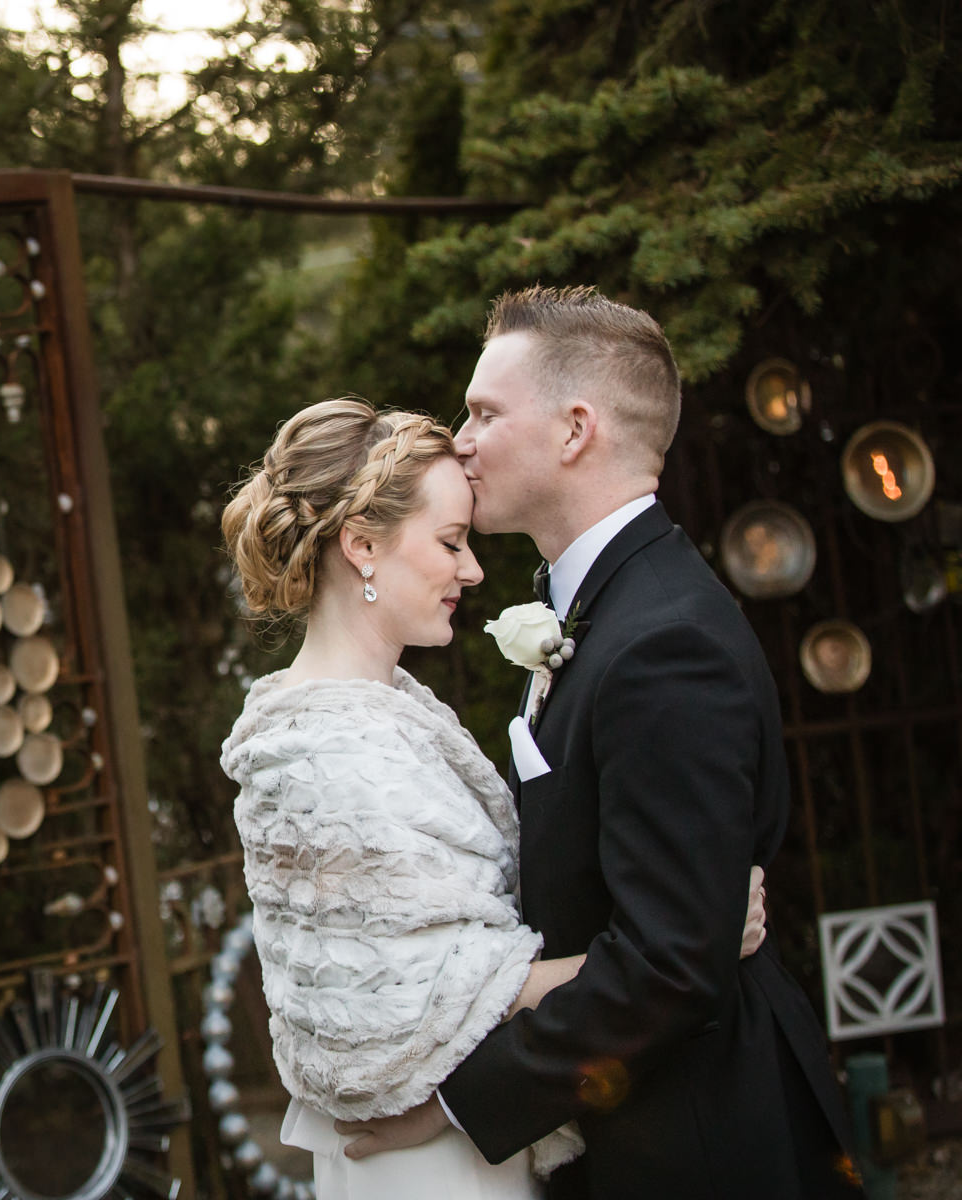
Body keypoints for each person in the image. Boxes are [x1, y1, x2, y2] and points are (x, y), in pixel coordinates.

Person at [334, 286, 860, 1199]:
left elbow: (668, 965)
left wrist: (456, 1105)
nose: (461, 439)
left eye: (485, 412)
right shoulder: (608, 606)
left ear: (575, 431)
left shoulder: (665, 644)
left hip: (697, 1139)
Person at [217, 399, 768, 1199]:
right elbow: (437, 987)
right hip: (422, 1166)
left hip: (471, 1138)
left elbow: (465, 934)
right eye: (450, 542)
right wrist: (699, 932)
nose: (473, 570)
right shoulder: (323, 748)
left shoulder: (388, 708)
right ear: (362, 546)